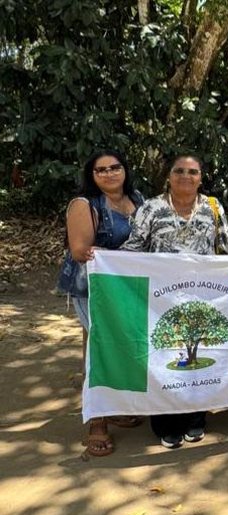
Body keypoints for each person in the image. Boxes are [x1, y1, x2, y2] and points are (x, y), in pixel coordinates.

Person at [122, 153, 228, 448]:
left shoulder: (212, 207)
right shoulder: (152, 208)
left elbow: (226, 248)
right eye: (179, 171)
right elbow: (133, 249)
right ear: (168, 176)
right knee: (164, 358)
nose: (186, 176)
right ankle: (165, 422)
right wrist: (104, 259)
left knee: (198, 360)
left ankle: (196, 419)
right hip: (160, 299)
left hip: (203, 296)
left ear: (201, 177)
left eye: (193, 171)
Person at [58, 150, 145, 456]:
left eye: (115, 167)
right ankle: (97, 422)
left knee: (124, 347)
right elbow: (82, 250)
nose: (109, 173)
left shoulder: (138, 199)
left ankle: (117, 408)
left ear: (125, 169)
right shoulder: (84, 205)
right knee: (100, 350)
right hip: (93, 289)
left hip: (128, 289)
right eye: (101, 170)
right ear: (91, 175)